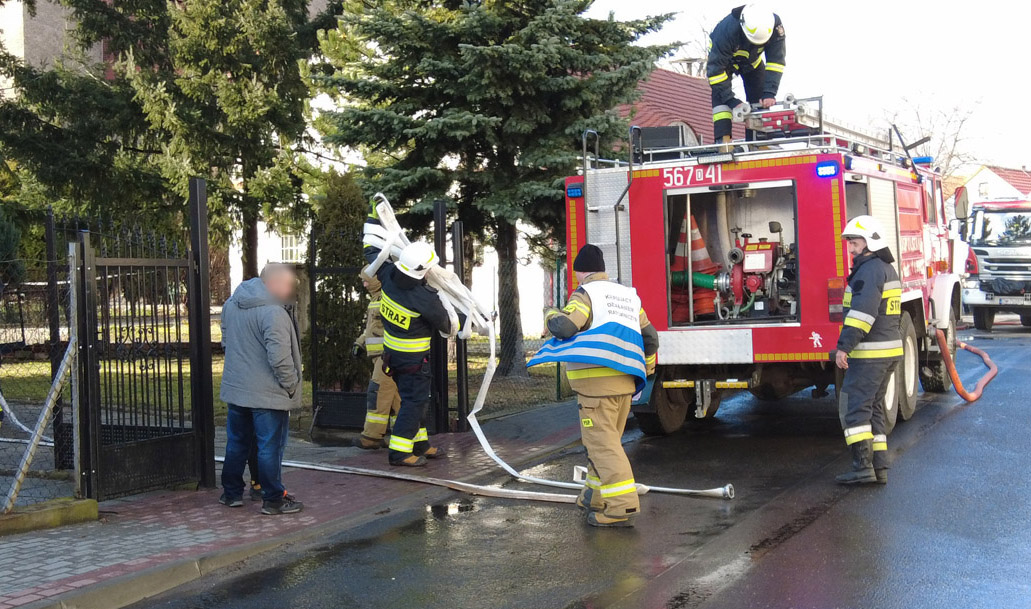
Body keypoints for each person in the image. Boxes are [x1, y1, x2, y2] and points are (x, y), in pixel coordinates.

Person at [537, 245, 659, 527]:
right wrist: (648, 368)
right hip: (625, 385)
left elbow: (565, 327)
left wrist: (548, 315)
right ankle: (594, 496)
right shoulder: (627, 296)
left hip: (596, 389)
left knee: (603, 448)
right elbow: (650, 338)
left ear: (580, 271)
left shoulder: (585, 294)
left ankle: (621, 508)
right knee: (604, 444)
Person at [363, 205, 453, 466]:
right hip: (413, 362)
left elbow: (370, 250)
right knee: (414, 402)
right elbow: (447, 325)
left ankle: (421, 444)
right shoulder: (423, 297)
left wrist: (373, 215)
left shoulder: (388, 274)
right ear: (423, 269)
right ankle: (400, 453)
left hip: (393, 357)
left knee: (414, 401)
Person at [219, 263, 304, 514]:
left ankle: (231, 493)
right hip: (268, 395)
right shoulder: (273, 313)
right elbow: (279, 358)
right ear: (273, 283)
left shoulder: (231, 305)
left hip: (237, 390)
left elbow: (226, 341)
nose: (290, 291)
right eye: (288, 285)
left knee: (236, 444)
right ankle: (273, 499)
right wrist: (290, 385)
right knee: (270, 448)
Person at [835, 216, 903, 485]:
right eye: (850, 242)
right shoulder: (886, 269)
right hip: (888, 352)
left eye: (854, 242)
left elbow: (862, 315)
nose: (850, 248)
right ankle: (879, 467)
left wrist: (844, 347)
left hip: (870, 354)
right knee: (874, 408)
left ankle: (862, 468)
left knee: (856, 408)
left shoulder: (869, 270)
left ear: (871, 242)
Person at [707, 4, 786, 143]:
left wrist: (769, 93)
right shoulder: (726, 32)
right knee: (720, 102)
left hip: (752, 62)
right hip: (723, 64)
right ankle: (723, 142)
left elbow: (776, 62)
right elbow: (715, 72)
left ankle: (757, 140)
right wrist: (732, 101)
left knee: (760, 99)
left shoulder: (775, 26)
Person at [352, 267, 402, 449]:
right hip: (382, 356)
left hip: (386, 356)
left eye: (367, 280)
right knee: (397, 398)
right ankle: (408, 436)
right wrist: (360, 343)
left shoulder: (386, 298)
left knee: (378, 392)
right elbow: (371, 329)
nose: (364, 284)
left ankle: (371, 437)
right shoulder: (376, 298)